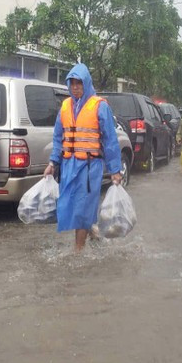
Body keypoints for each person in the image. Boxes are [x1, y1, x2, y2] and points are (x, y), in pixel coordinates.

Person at [44, 63, 123, 251]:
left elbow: (110, 140)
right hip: (69, 165)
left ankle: (78, 250)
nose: (75, 87)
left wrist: (115, 170)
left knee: (82, 206)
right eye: (72, 84)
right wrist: (53, 162)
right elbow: (58, 137)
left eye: (79, 83)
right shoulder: (65, 106)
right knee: (69, 205)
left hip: (89, 167)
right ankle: (90, 228)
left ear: (86, 83)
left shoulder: (99, 106)